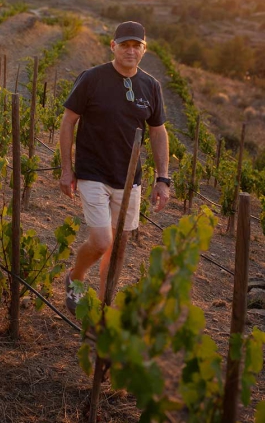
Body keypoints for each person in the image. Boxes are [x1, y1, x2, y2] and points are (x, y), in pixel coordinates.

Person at [58, 20, 171, 314]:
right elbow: (68, 121)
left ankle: (105, 301)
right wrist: (66, 170)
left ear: (144, 50)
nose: (130, 51)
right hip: (92, 173)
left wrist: (163, 178)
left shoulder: (150, 86)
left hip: (129, 178)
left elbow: (158, 131)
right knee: (101, 240)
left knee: (118, 247)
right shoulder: (92, 78)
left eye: (136, 46)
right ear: (113, 46)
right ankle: (76, 278)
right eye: (125, 45)